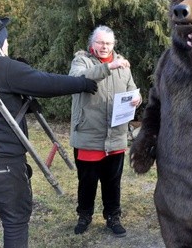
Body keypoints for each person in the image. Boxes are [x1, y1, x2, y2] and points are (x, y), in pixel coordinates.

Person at [0, 8, 98, 248]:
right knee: (16, 222)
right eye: (5, 38)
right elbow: (46, 82)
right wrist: (82, 83)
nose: (8, 43)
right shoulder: (3, 67)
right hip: (3, 162)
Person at [69, 25, 141, 238]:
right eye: (100, 42)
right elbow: (78, 79)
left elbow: (132, 90)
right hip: (88, 135)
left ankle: (113, 216)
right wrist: (109, 67)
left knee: (113, 182)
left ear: (113, 45)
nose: (104, 47)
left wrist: (137, 99)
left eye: (108, 43)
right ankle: (84, 215)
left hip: (116, 135)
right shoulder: (81, 61)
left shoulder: (123, 66)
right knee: (87, 182)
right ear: (92, 43)